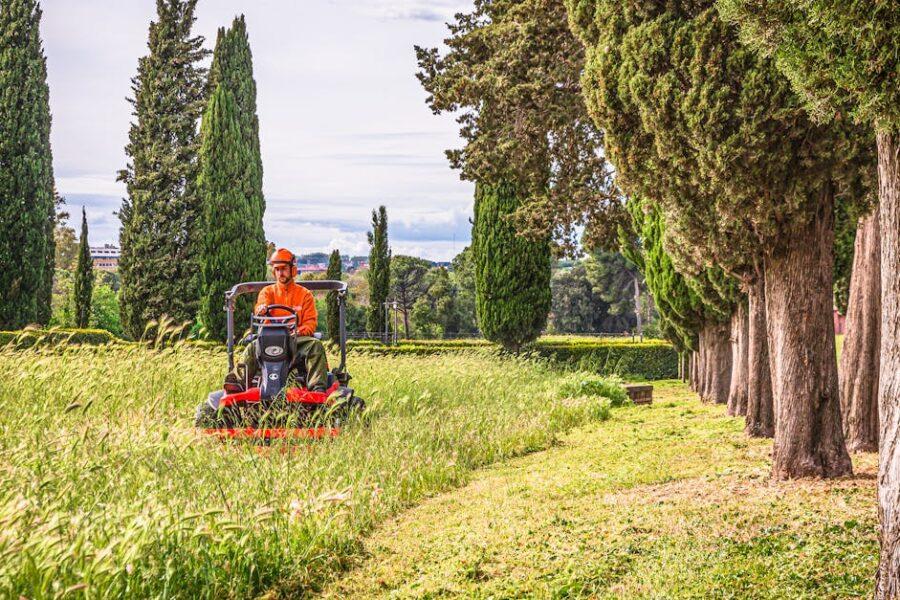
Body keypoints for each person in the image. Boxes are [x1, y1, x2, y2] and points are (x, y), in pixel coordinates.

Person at [226, 248, 329, 392]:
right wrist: (262, 309)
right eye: (277, 269)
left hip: (295, 342)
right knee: (251, 348)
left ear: (292, 270)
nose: (281, 273)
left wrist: (296, 332)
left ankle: (317, 388)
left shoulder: (305, 295)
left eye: (284, 269)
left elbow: (310, 324)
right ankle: (237, 384)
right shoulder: (267, 292)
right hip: (270, 340)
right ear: (273, 271)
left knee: (315, 345)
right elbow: (260, 306)